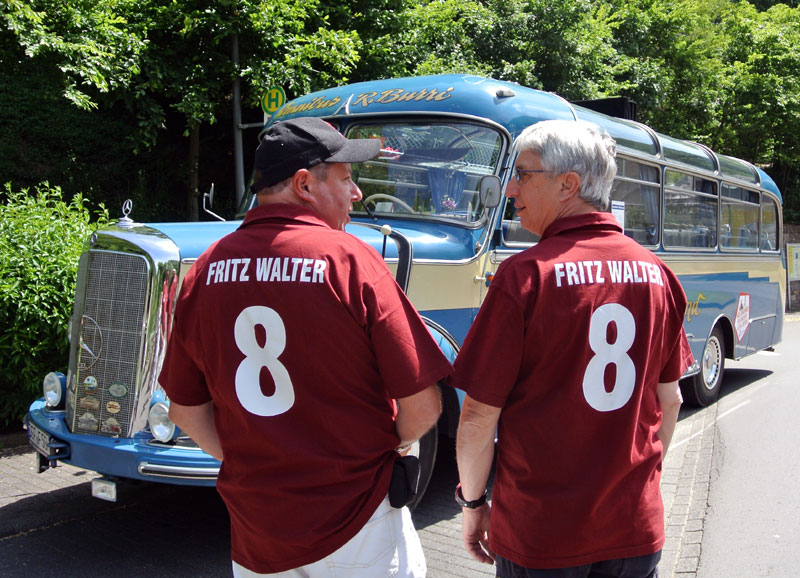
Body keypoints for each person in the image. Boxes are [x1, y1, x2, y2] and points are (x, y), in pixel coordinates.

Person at [158, 116, 452, 577]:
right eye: (347, 178)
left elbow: (184, 412)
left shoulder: (205, 269)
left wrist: (256, 463)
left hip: (256, 529)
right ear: (303, 184)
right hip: (358, 520)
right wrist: (378, 452)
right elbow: (422, 404)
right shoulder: (349, 259)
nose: (356, 193)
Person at [451, 119, 692, 578]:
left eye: (522, 175)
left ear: (569, 184)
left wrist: (474, 502)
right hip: (634, 529)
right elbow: (671, 399)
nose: (510, 191)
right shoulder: (658, 274)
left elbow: (479, 416)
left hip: (543, 535)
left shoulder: (525, 278)